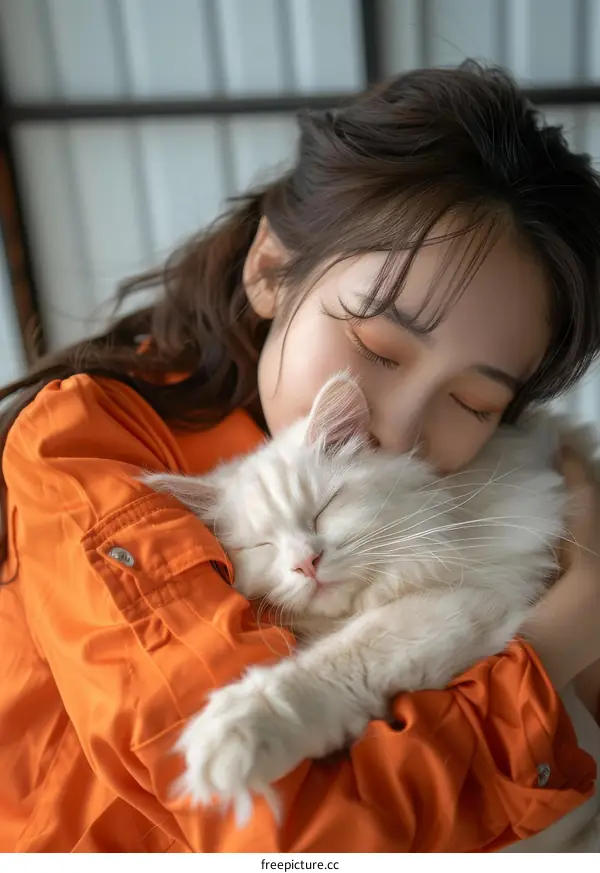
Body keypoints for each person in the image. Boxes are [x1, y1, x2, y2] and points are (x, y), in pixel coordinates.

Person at [0, 61, 600, 853]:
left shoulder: (493, 479)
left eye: (473, 402)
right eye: (377, 348)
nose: (399, 428)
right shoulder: (86, 447)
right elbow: (297, 840)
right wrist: (570, 627)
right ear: (272, 270)